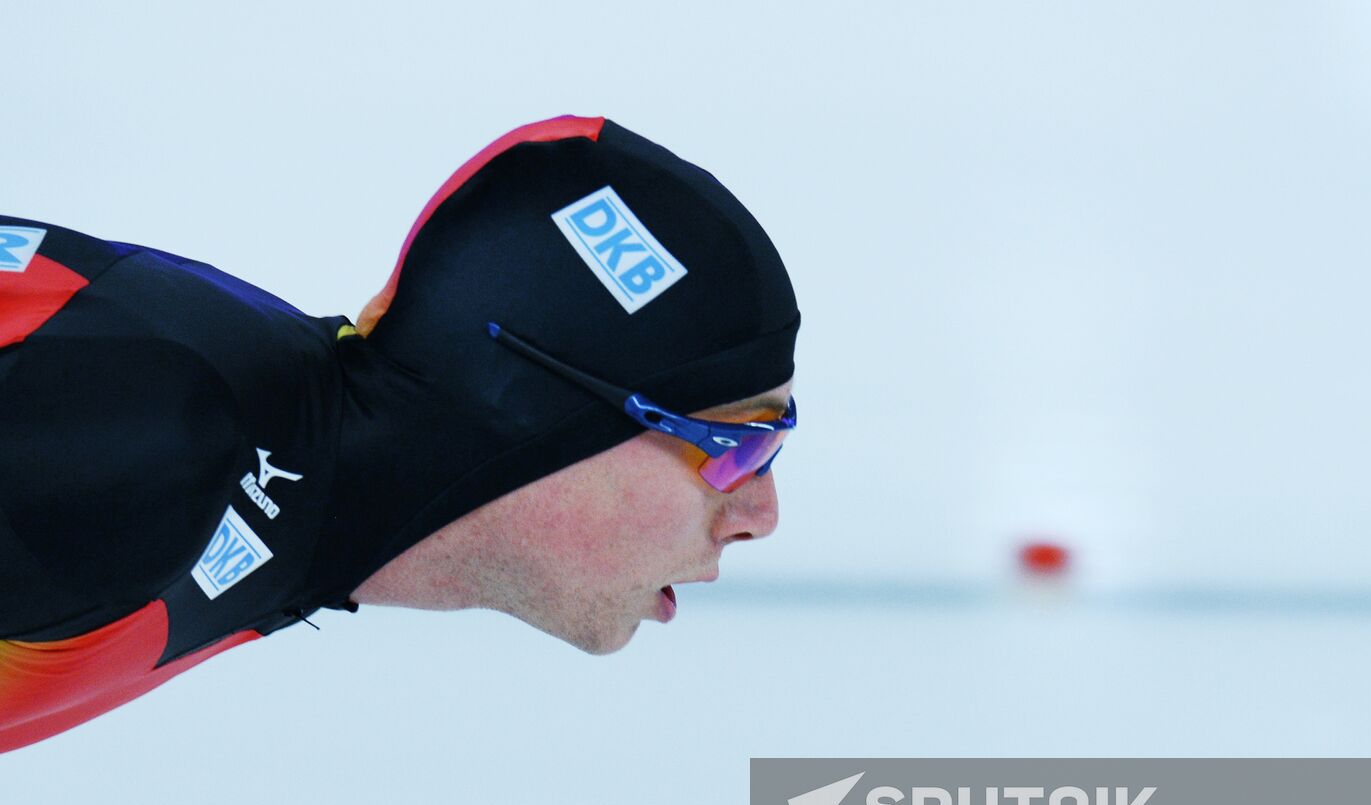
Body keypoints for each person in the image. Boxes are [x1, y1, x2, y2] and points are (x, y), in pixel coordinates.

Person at [0, 115, 800, 754]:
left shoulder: (255, 463)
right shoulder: (157, 441)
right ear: (542, 411)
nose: (762, 517)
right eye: (742, 446)